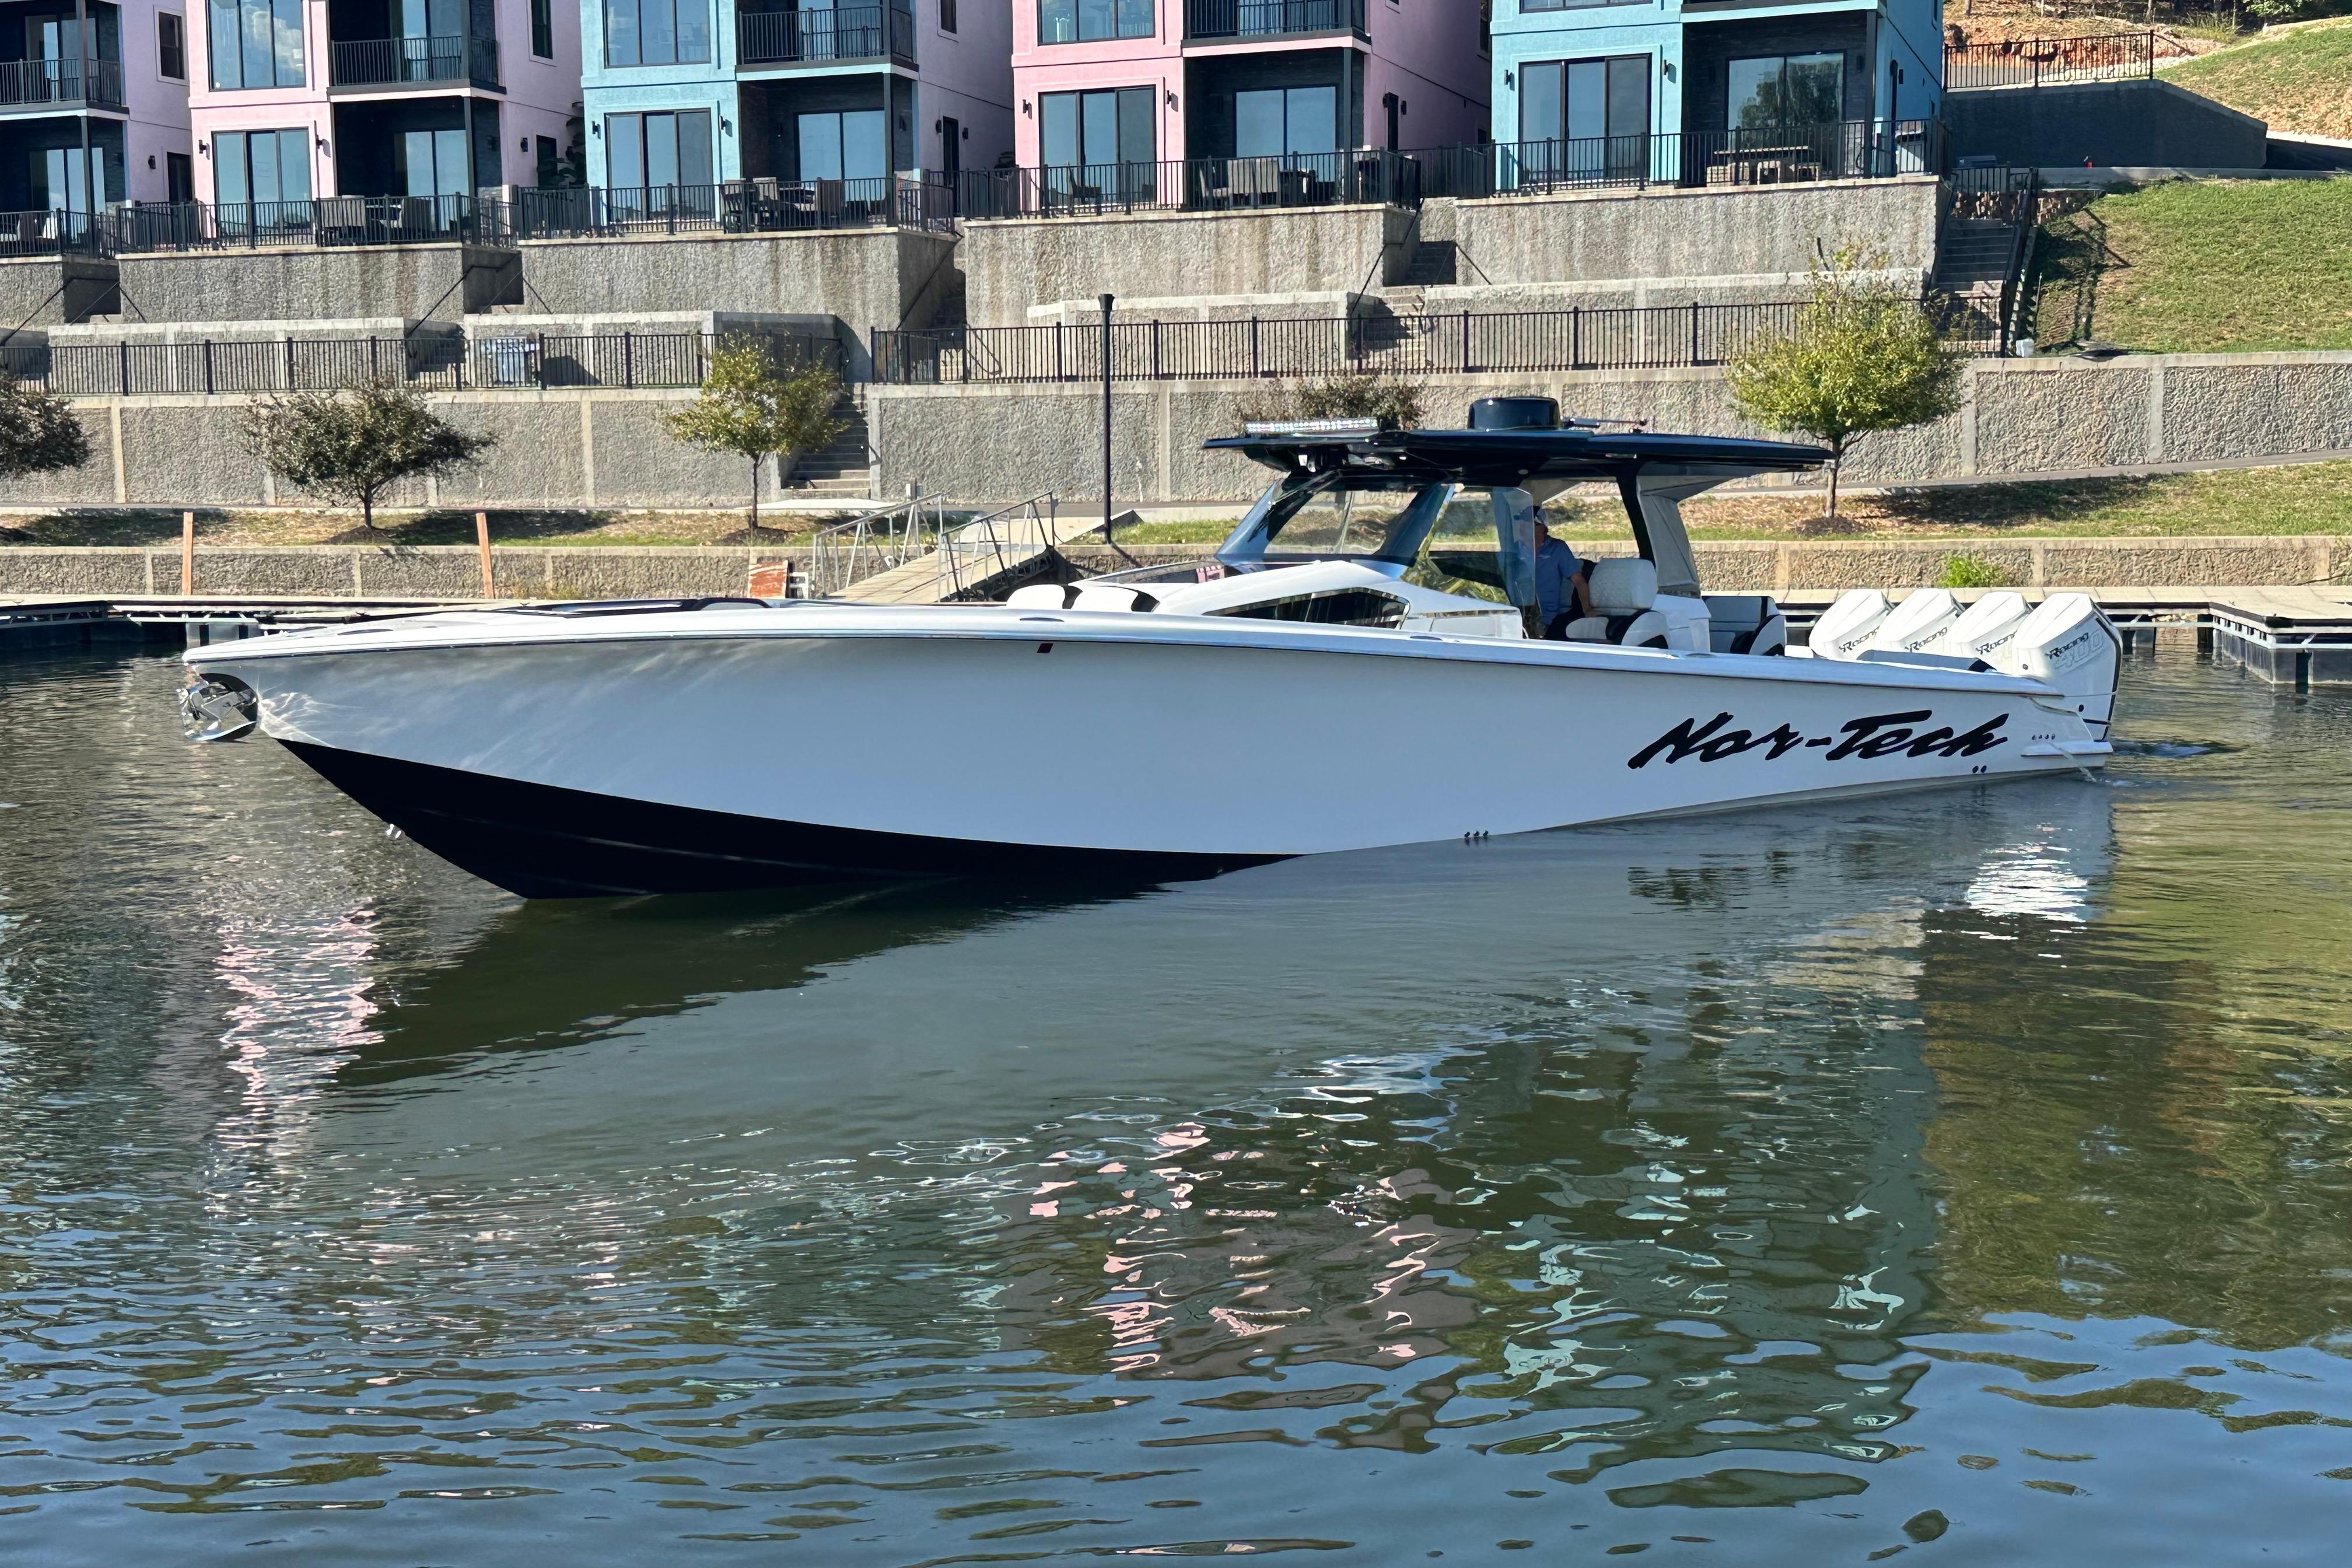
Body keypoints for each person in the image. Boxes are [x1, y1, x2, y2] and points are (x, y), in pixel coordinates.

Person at [1532, 514, 1591, 639]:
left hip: (1546, 621)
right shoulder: (1515, 549)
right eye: (1525, 523)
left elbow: (1578, 581)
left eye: (1535, 524)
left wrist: (1587, 610)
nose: (1528, 528)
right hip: (1515, 615)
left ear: (1544, 530)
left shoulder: (1557, 548)